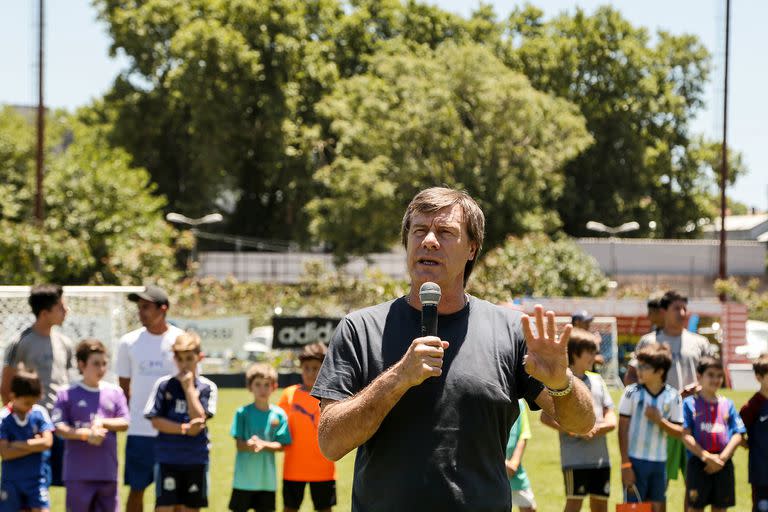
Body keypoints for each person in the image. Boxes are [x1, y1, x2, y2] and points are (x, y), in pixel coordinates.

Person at [311, 187, 596, 511]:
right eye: (419, 231)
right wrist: (398, 378)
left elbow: (581, 424)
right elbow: (330, 442)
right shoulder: (359, 329)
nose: (428, 240)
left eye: (445, 232)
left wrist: (562, 383)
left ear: (472, 248)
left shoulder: (510, 331)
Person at [623, 290, 713, 487]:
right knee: (658, 483)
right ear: (663, 311)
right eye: (676, 308)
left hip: (694, 417)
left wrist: (700, 387)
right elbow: (630, 376)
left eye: (684, 308)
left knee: (694, 483)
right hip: (658, 418)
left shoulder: (700, 342)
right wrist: (647, 396)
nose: (681, 313)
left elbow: (714, 375)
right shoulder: (650, 341)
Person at [115, 285, 184, 512]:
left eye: (146, 307)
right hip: (140, 431)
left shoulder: (181, 340)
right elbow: (124, 387)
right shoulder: (128, 342)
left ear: (163, 309)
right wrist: (139, 413)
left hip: (173, 431)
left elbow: (190, 383)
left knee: (171, 493)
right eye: (139, 307)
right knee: (137, 489)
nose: (141, 312)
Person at [1, 284, 73, 486]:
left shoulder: (65, 342)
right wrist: (21, 420)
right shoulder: (21, 342)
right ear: (44, 312)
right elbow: (6, 387)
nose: (66, 311)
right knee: (32, 485)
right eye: (60, 307)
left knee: (65, 483)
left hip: (60, 425)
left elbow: (65, 384)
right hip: (32, 428)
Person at [541, 328, 616, 512]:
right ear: (575, 353)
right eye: (590, 352)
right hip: (575, 459)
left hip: (600, 459)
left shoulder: (598, 380)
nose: (594, 356)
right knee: (574, 504)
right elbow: (545, 417)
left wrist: (600, 427)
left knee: (600, 505)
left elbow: (610, 414)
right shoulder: (562, 383)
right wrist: (574, 430)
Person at [52, 339, 130, 512]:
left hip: (107, 473)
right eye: (96, 364)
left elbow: (125, 422)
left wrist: (103, 422)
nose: (101, 369)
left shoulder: (115, 392)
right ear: (81, 364)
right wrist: (86, 434)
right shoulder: (66, 393)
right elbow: (59, 427)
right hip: (78, 474)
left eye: (104, 364)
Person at [144, 331, 217, 512]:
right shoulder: (163, 385)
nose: (184, 365)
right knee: (164, 508)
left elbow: (199, 420)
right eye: (180, 359)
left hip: (195, 459)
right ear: (174, 359)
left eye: (189, 359)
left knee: (190, 508)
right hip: (168, 458)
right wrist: (184, 428)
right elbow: (156, 421)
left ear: (199, 358)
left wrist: (189, 389)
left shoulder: (207, 387)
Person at [618, 342, 683, 512]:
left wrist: (660, 421)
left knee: (657, 508)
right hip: (634, 461)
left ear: (660, 371)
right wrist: (625, 465)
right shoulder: (631, 393)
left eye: (644, 367)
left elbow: (679, 432)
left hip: (659, 463)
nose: (638, 370)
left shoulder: (673, 396)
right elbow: (622, 429)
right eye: (638, 365)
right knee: (634, 508)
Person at [681, 357, 745, 511]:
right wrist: (706, 457)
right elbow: (685, 435)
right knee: (695, 507)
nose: (715, 379)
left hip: (723, 463)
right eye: (711, 375)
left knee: (720, 507)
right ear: (699, 377)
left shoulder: (727, 404)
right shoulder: (690, 404)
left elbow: (738, 434)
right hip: (699, 463)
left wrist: (721, 459)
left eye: (719, 375)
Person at [278, 343, 336, 512]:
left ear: (324, 368)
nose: (311, 373)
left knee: (325, 508)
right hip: (293, 469)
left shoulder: (330, 395)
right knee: (289, 508)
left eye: (316, 368)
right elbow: (278, 428)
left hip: (323, 469)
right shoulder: (288, 394)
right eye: (306, 368)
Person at [229, 363, 291, 512]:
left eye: (266, 385)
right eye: (258, 384)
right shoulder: (242, 413)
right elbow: (239, 445)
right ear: (250, 387)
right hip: (243, 481)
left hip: (267, 482)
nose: (262, 389)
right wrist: (249, 445)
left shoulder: (279, 414)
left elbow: (282, 445)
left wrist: (264, 444)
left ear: (274, 387)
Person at [0, 372, 55, 512]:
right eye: (27, 403)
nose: (30, 407)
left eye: (33, 402)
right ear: (13, 396)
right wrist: (35, 445)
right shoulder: (4, 417)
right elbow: (5, 453)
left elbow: (48, 442)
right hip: (11, 481)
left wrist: (18, 444)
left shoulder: (39, 413)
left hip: (36, 480)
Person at [739, 353, 768, 512]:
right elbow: (737, 434)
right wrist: (751, 446)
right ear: (759, 377)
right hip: (761, 474)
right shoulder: (751, 407)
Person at [506, 399, 537, 512]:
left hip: (515, 471)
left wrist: (514, 462)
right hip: (493, 466)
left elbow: (523, 434)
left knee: (529, 507)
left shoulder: (519, 403)